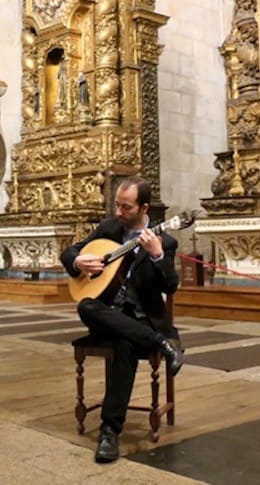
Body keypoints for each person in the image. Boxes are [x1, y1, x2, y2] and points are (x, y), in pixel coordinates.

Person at [60, 176, 184, 463]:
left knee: (124, 343)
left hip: (139, 321)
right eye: (116, 204)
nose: (118, 212)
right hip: (106, 315)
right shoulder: (109, 228)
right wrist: (78, 261)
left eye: (125, 207)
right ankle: (162, 344)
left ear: (144, 208)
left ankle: (109, 432)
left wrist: (157, 256)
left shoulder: (165, 240)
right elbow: (71, 252)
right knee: (86, 306)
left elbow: (171, 286)